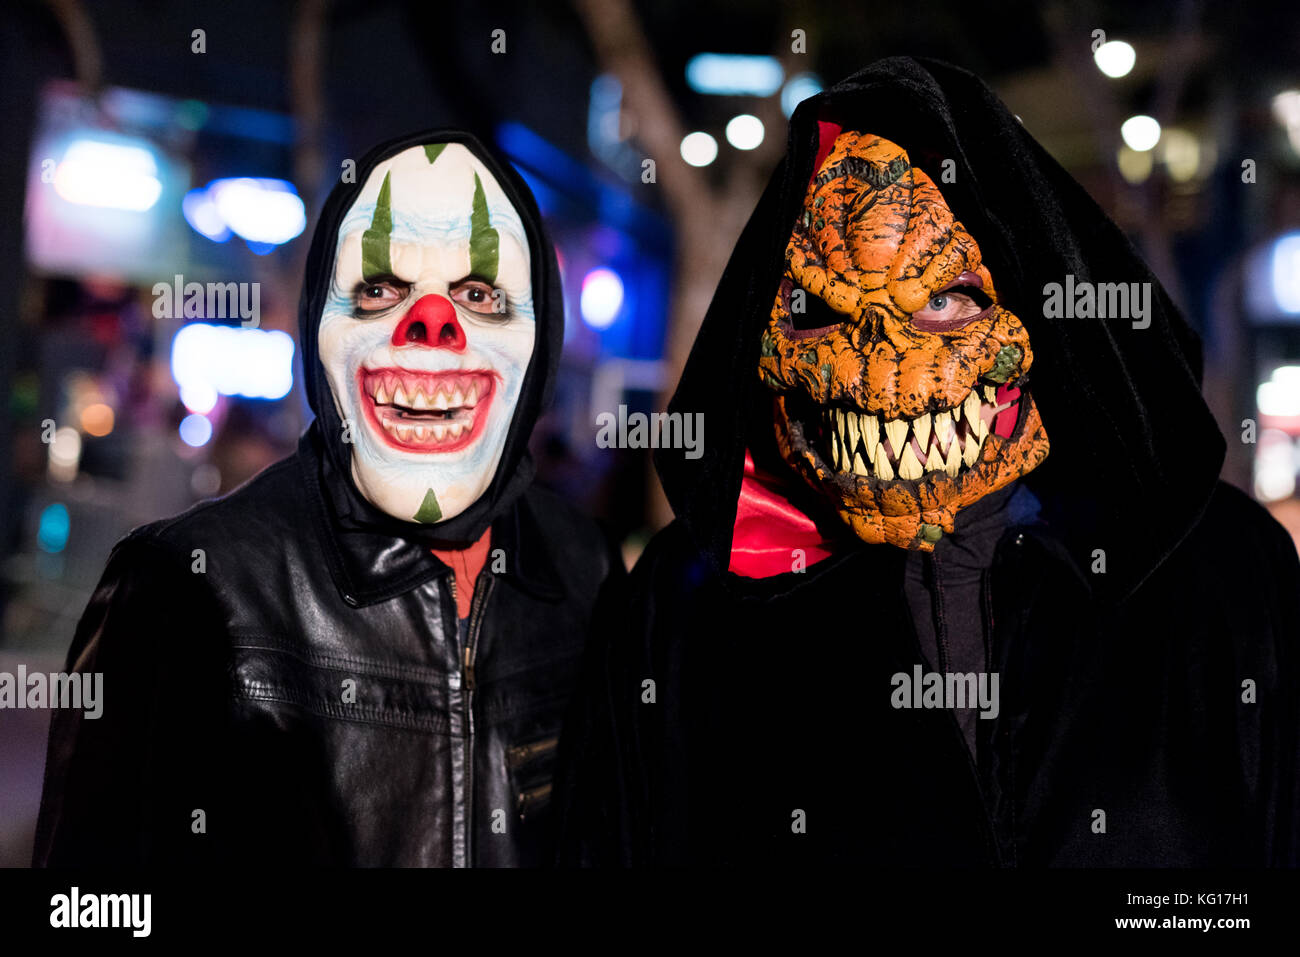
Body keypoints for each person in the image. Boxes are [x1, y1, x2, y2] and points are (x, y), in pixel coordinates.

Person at [556, 57, 1300, 867]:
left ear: (1028, 303)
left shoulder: (1224, 580)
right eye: (828, 309)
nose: (885, 362)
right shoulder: (681, 612)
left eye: (943, 299)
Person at [35, 129, 620, 867]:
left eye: (478, 293)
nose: (430, 325)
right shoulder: (188, 584)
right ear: (318, 324)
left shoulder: (582, 568)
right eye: (379, 289)